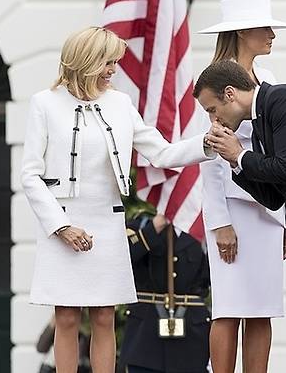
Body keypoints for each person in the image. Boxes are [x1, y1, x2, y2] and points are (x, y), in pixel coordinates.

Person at [21, 26, 215, 373]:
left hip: (106, 223)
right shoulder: (44, 104)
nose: (113, 69)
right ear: (87, 61)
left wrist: (206, 143)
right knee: (65, 317)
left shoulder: (121, 104)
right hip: (61, 223)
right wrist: (61, 227)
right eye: (108, 61)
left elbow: (162, 153)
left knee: (104, 317)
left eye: (115, 62)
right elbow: (30, 175)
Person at [194, 60, 286, 373]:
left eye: (211, 109)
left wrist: (241, 156)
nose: (213, 119)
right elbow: (274, 196)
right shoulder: (259, 119)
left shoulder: (284, 100)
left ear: (230, 94)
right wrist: (236, 165)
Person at [195, 0, 286, 373]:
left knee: (262, 307)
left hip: (267, 209)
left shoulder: (268, 79)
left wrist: (285, 218)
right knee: (230, 306)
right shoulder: (215, 80)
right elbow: (208, 158)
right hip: (233, 210)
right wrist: (220, 223)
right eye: (264, 27)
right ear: (242, 32)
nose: (271, 33)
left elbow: (277, 152)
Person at [119, 213, 211, 373]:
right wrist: (155, 227)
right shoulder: (141, 224)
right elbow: (122, 259)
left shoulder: (205, 228)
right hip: (145, 339)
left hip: (192, 339)